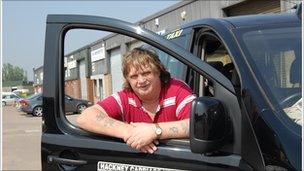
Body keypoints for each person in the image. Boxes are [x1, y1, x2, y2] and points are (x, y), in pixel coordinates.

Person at [77, 47, 195, 154]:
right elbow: (85, 117)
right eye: (134, 76)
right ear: (128, 79)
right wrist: (129, 131)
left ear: (158, 72)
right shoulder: (125, 97)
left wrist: (155, 130)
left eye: (146, 73)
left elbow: (196, 124)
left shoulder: (177, 89)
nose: (141, 80)